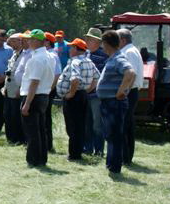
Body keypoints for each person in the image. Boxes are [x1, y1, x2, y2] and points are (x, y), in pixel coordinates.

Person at [98, 30, 137, 175]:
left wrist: (122, 91)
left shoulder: (119, 58)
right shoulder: (113, 58)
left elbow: (131, 73)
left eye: (103, 43)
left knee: (114, 135)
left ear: (107, 44)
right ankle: (111, 164)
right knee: (111, 134)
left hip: (113, 103)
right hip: (109, 102)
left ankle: (114, 166)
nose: (102, 47)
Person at [58, 38, 100, 162]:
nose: (70, 49)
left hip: (74, 97)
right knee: (80, 125)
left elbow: (75, 79)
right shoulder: (89, 61)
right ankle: (78, 151)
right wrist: (87, 90)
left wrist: (71, 93)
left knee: (72, 126)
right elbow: (97, 77)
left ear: (76, 49)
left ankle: (73, 154)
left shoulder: (75, 61)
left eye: (71, 47)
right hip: (82, 96)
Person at [20, 30, 55, 166]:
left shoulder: (36, 59)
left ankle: (33, 159)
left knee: (32, 131)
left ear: (37, 41)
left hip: (33, 96)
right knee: (41, 129)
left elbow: (34, 82)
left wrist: (27, 103)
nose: (28, 41)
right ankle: (41, 158)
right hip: (44, 95)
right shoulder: (50, 56)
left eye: (30, 39)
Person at [117, 28, 145, 165]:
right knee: (126, 124)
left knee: (124, 124)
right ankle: (125, 156)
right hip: (129, 91)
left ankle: (125, 156)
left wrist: (124, 91)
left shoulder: (129, 52)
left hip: (129, 92)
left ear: (123, 40)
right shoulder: (130, 50)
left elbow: (131, 74)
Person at [83, 27, 107, 157]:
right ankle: (87, 148)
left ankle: (98, 150)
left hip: (96, 95)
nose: (87, 41)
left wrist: (89, 88)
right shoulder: (85, 53)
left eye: (90, 39)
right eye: (87, 39)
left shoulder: (104, 55)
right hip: (85, 94)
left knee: (97, 124)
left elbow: (101, 77)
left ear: (97, 42)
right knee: (87, 123)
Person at [2, 32, 26, 145]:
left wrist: (20, 89)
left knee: (16, 115)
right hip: (9, 87)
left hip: (17, 89)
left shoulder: (25, 55)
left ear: (20, 41)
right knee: (8, 114)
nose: (10, 43)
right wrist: (5, 87)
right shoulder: (14, 53)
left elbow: (24, 74)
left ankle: (18, 138)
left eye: (13, 40)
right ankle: (10, 138)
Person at [42, 32, 63, 153]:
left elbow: (57, 74)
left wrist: (49, 89)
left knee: (45, 118)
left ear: (47, 42)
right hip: (47, 89)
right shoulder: (49, 54)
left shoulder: (52, 55)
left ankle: (48, 144)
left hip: (48, 90)